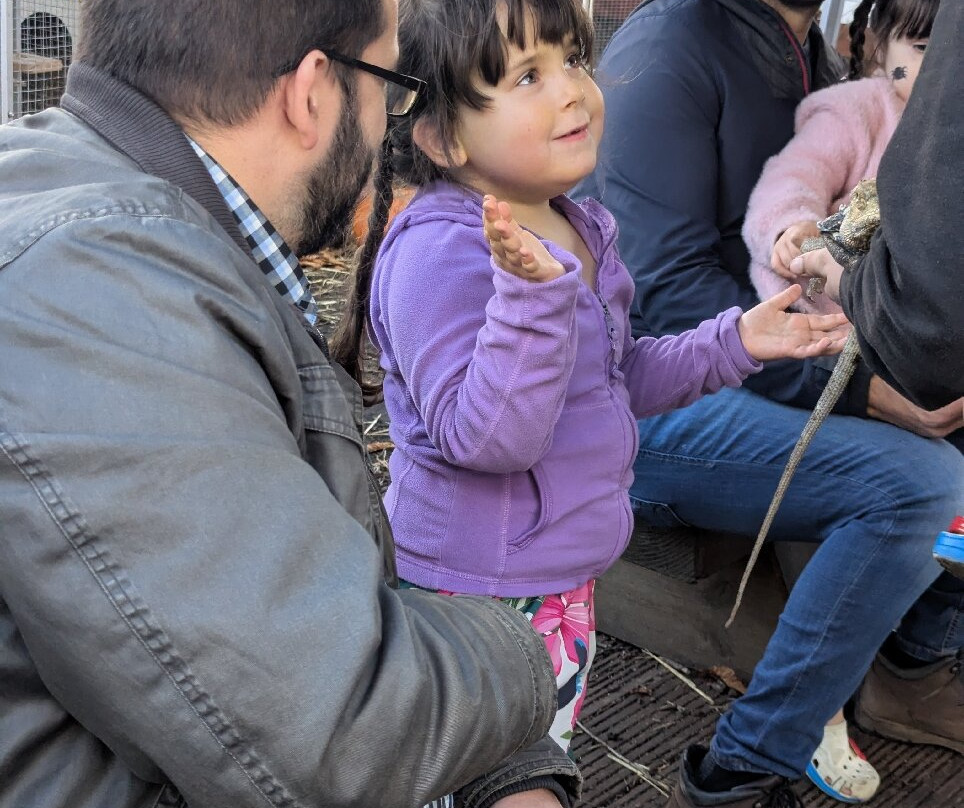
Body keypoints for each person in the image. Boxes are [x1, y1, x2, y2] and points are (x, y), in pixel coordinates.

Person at [0, 2, 590, 807]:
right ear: (313, 93)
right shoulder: (98, 291)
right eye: (394, 84)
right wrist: (529, 658)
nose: (392, 118)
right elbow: (337, 725)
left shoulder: (106, 210)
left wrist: (504, 758)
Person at [331, 0, 848, 801]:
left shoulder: (578, 223)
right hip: (475, 595)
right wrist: (530, 302)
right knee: (477, 782)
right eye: (526, 76)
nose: (572, 89)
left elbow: (615, 376)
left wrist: (738, 341)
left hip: (561, 581)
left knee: (536, 756)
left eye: (572, 58)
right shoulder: (442, 251)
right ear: (443, 136)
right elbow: (488, 439)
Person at [573, 0, 964, 806]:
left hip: (773, 364)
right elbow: (666, 302)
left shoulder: (813, 54)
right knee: (924, 486)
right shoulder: (669, 45)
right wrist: (870, 393)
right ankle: (748, 764)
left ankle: (910, 667)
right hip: (645, 393)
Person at [789, 0, 963, 411]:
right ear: (878, 47)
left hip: (894, 319)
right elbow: (796, 180)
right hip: (860, 308)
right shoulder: (850, 109)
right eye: (923, 47)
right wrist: (794, 229)